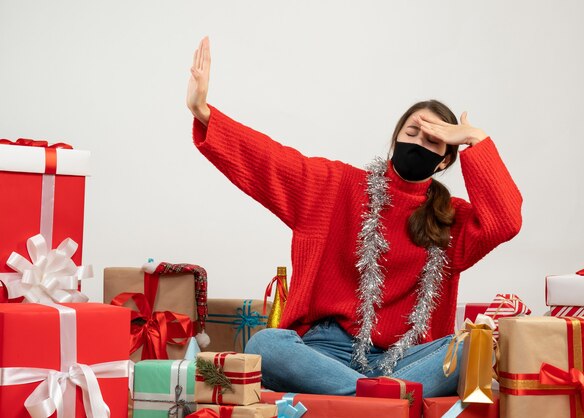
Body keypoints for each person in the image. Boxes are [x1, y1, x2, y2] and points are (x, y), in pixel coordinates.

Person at [186, 36, 522, 397]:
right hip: (326, 351)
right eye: (412, 133)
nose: (419, 144)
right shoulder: (337, 187)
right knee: (267, 346)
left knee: (474, 346)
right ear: (395, 141)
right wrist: (204, 113)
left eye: (433, 141)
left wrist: (476, 139)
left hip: (409, 357)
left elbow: (505, 220)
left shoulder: (451, 219)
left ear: (444, 160)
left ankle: (371, 396)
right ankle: (385, 398)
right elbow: (271, 161)